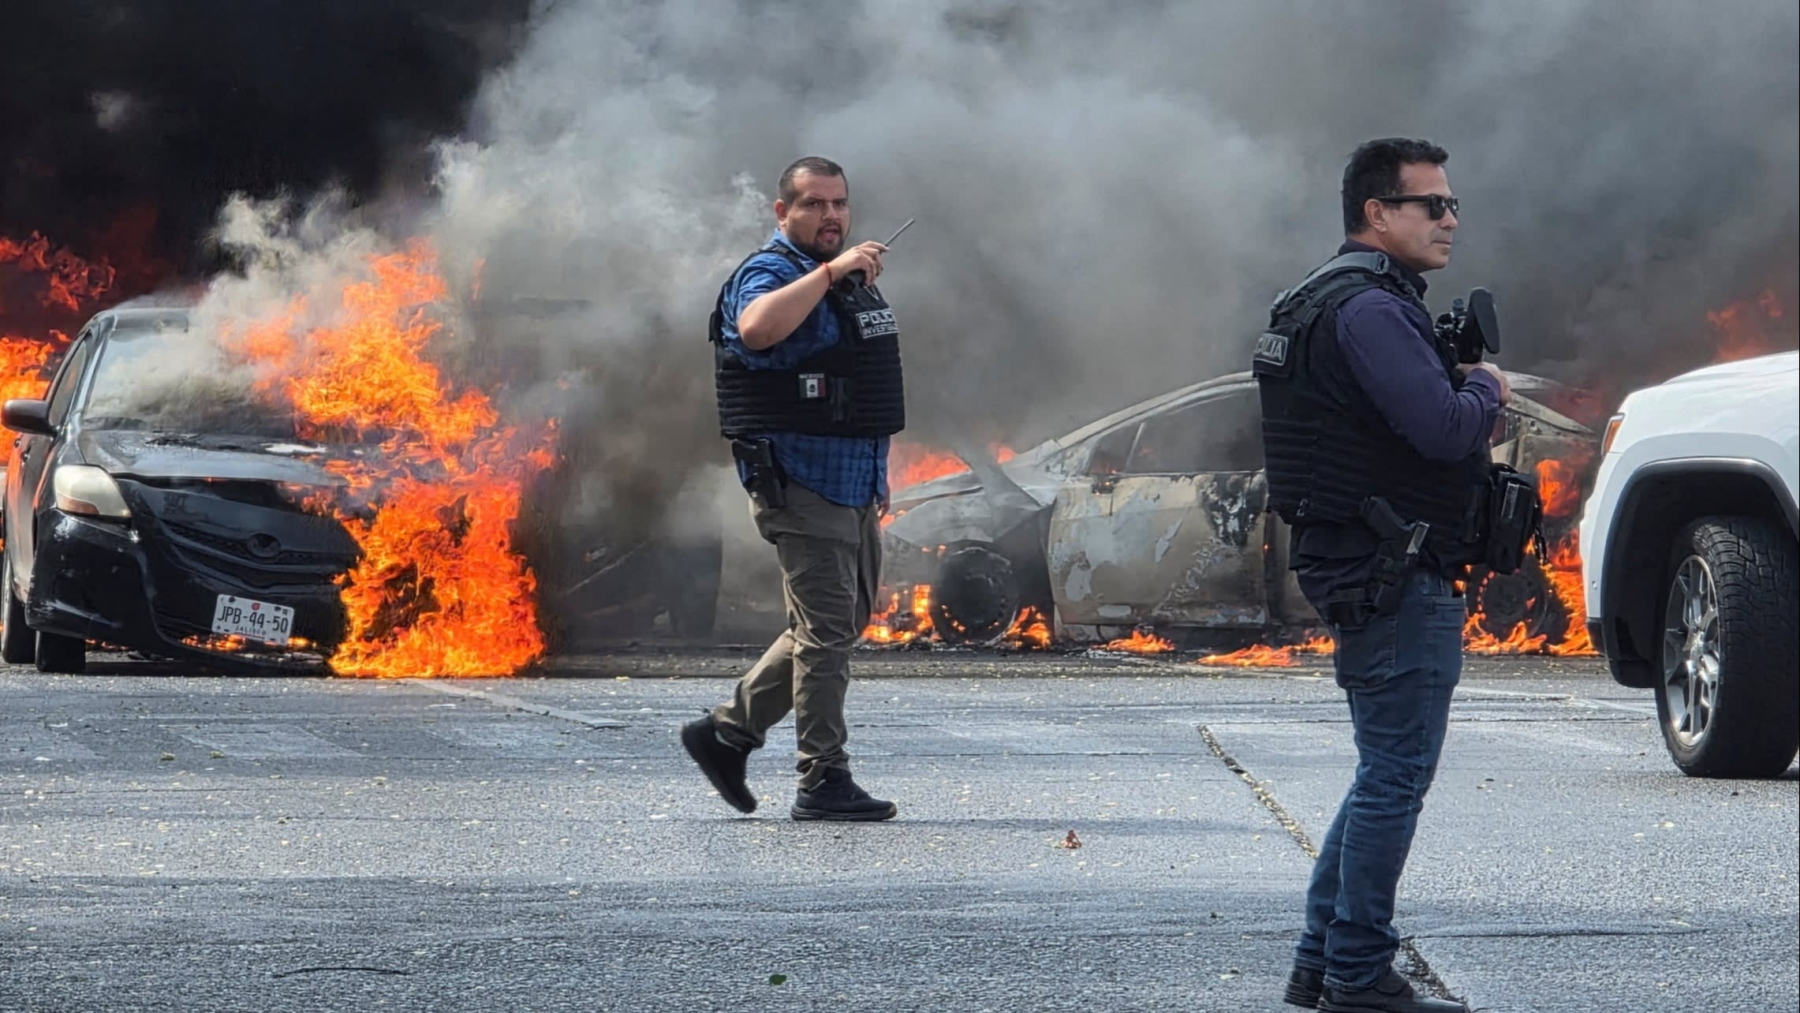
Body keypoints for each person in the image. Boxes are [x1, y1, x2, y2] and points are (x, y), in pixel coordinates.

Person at [1253, 138, 1509, 1013]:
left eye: (1451, 203)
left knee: (1380, 771)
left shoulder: (1324, 300)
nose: (1450, 218)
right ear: (1376, 213)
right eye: (1429, 204)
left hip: (1371, 565)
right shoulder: (1368, 309)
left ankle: (1320, 965)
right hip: (1395, 572)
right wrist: (1487, 388)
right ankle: (1358, 974)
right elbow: (1442, 428)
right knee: (1395, 775)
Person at [681, 156, 903, 822]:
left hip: (850, 480)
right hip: (800, 478)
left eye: (839, 204)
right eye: (813, 204)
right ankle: (822, 777)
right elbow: (757, 329)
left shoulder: (845, 283)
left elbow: (859, 382)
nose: (830, 216)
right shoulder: (771, 272)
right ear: (783, 212)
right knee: (827, 630)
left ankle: (727, 732)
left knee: (835, 623)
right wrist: (831, 273)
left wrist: (877, 473)